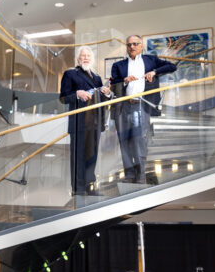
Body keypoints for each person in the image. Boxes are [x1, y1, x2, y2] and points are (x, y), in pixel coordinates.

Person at [110, 35, 176, 183]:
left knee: (139, 140)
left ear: (141, 46)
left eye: (135, 44)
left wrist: (154, 72)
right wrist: (125, 81)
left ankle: (140, 174)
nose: (131, 47)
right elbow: (113, 84)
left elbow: (172, 66)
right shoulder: (118, 65)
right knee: (124, 141)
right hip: (123, 106)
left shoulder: (151, 60)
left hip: (142, 105)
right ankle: (129, 174)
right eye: (129, 45)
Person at [60, 46, 111, 195]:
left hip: (95, 123)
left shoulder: (97, 78)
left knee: (92, 156)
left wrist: (106, 93)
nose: (86, 58)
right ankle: (78, 189)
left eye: (88, 56)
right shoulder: (70, 74)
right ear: (78, 58)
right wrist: (77, 93)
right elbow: (63, 97)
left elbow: (100, 99)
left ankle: (90, 186)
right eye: (83, 56)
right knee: (78, 157)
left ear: (92, 59)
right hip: (79, 123)